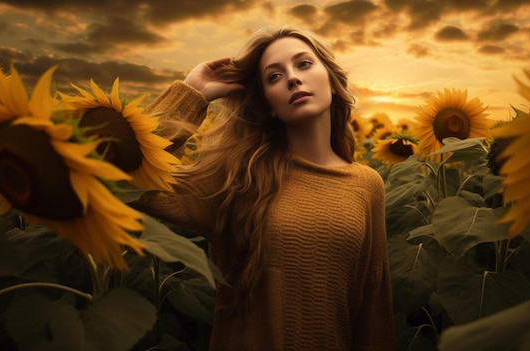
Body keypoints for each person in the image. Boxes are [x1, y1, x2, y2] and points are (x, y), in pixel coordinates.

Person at [133, 25, 395, 350]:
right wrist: (191, 93)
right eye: (274, 76)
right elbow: (123, 176)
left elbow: (374, 308)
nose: (292, 78)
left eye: (303, 64)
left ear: (330, 78)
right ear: (269, 104)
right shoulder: (239, 177)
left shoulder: (367, 185)